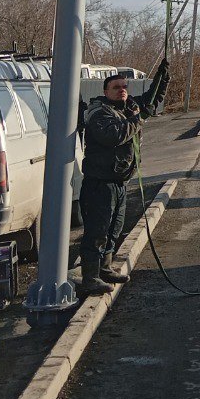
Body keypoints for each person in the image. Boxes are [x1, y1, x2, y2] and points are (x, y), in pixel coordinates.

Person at [78, 71, 163, 296]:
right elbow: (114, 135)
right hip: (99, 184)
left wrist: (163, 78)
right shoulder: (99, 113)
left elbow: (152, 99)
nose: (122, 89)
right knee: (97, 231)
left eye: (124, 86)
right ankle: (90, 277)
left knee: (114, 229)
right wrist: (140, 117)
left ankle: (105, 268)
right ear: (106, 91)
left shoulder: (127, 108)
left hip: (118, 181)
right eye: (116, 87)